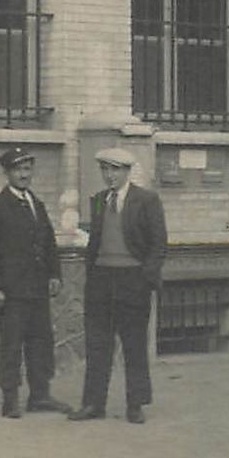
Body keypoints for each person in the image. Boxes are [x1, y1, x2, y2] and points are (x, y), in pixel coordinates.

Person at [70, 147, 167, 425]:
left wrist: (144, 278)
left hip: (132, 280)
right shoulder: (99, 200)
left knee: (134, 344)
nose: (109, 175)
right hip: (101, 280)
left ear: (127, 171)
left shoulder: (146, 200)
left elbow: (158, 244)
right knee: (97, 344)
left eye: (115, 170)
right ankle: (93, 404)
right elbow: (96, 239)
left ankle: (135, 404)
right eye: (104, 170)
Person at [0, 148, 69, 419]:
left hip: (38, 289)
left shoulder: (35, 203)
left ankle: (40, 395)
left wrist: (55, 275)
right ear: (7, 173)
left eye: (28, 169)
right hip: (11, 291)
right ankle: (10, 399)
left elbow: (49, 243)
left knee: (41, 342)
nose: (24, 174)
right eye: (18, 169)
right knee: (11, 345)